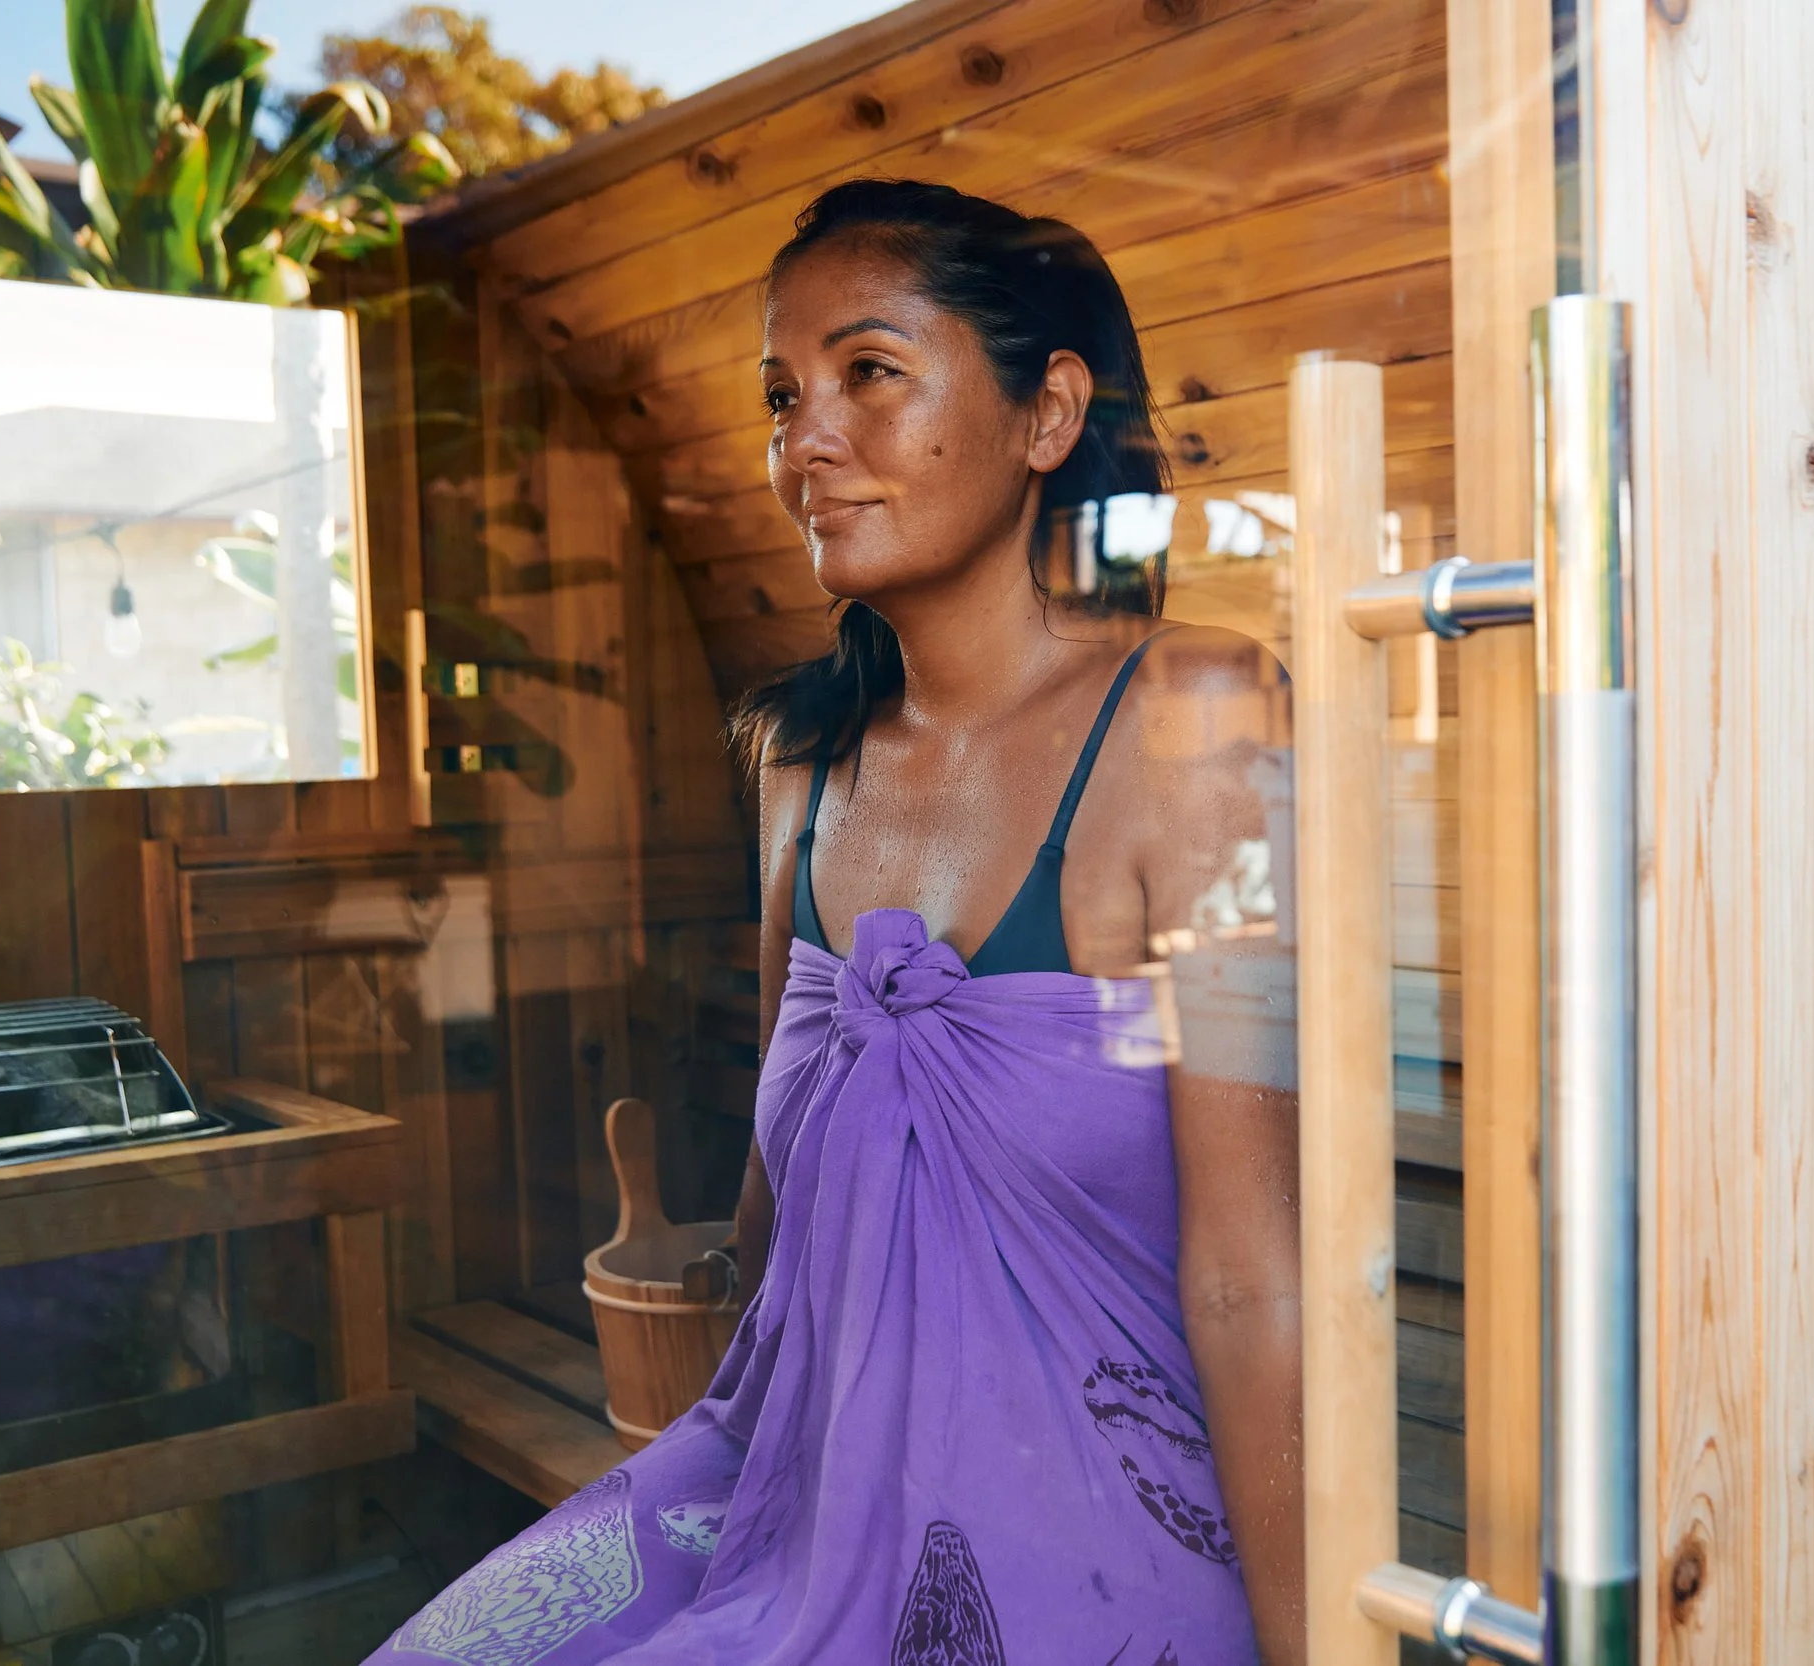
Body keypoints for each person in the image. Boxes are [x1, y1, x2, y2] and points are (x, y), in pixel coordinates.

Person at [368, 178, 1302, 1666]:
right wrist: (712, 1420)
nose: (804, 439)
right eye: (784, 392)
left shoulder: (1198, 716)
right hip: (796, 1464)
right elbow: (781, 1168)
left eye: (870, 372)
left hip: (1093, 1528)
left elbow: (1258, 1271)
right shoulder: (799, 761)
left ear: (1047, 413)